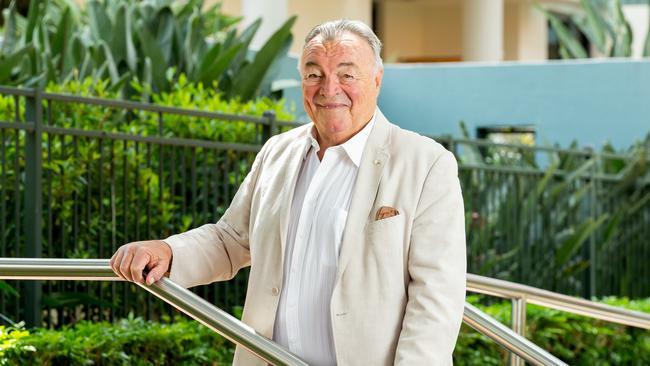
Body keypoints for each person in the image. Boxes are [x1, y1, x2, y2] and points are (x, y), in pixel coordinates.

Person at [110, 19, 466, 366]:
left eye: (347, 74)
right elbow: (230, 240)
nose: (329, 89)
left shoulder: (426, 163)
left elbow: (435, 297)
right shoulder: (277, 152)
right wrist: (168, 251)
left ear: (377, 79)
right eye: (314, 75)